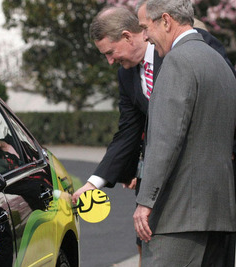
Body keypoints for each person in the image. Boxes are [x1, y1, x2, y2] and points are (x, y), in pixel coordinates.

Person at [71, 5, 236, 266]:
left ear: (128, 36)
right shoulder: (127, 76)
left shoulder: (186, 54)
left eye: (110, 52)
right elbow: (128, 131)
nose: (110, 61)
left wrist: (146, 201)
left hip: (188, 204)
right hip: (189, 202)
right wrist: (94, 183)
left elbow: (212, 111)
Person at [133, 0, 236, 265]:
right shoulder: (220, 63)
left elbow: (166, 140)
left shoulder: (178, 61)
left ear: (166, 21)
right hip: (221, 215)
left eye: (146, 27)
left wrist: (145, 202)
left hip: (178, 216)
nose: (145, 36)